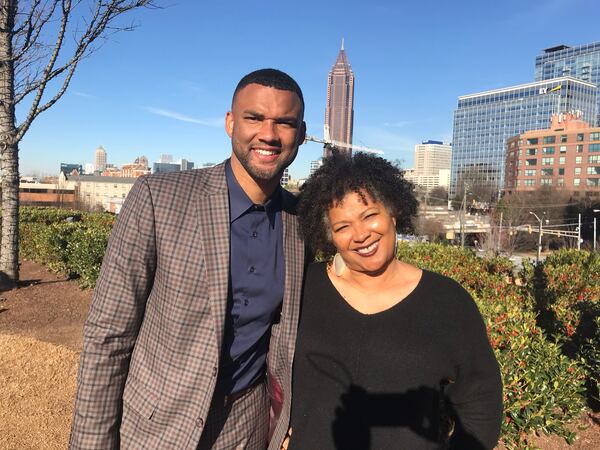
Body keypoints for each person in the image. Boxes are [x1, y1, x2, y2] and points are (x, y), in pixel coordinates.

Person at [69, 68, 307, 450]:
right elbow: (108, 335)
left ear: (301, 133)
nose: (269, 133)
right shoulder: (157, 198)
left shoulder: (300, 222)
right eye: (254, 118)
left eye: (284, 122)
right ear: (230, 123)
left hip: (246, 427)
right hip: (156, 425)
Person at [286, 153, 503, 450]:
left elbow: (480, 402)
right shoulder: (302, 287)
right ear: (329, 237)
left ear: (393, 212)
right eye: (343, 227)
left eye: (369, 215)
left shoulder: (448, 302)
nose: (361, 235)